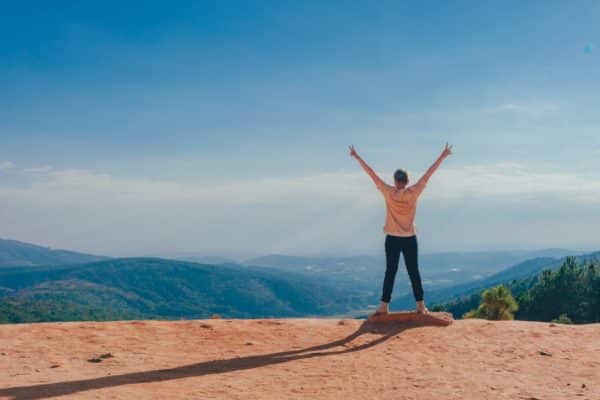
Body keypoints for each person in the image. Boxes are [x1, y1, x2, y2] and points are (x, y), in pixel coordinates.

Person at [349, 143, 453, 315]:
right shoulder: (414, 192)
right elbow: (429, 173)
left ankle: (384, 305)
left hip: (392, 238)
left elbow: (371, 174)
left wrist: (357, 156)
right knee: (414, 271)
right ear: (407, 181)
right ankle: (420, 305)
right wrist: (443, 155)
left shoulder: (388, 192)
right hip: (410, 238)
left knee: (390, 271)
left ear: (395, 181)